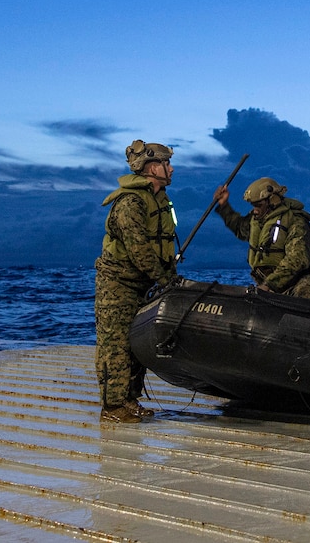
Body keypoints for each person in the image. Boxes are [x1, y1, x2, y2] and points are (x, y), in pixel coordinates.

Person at [94, 140, 180, 424]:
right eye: (166, 163)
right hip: (118, 284)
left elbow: (160, 244)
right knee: (115, 344)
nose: (171, 168)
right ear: (152, 167)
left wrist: (169, 272)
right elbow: (138, 249)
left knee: (137, 345)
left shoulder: (160, 200)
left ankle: (129, 399)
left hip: (143, 283)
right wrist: (165, 278)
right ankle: (112, 405)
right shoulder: (130, 203)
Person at [213, 176, 310, 299]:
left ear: (272, 201)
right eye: (253, 206)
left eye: (258, 205)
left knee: (305, 298)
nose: (255, 210)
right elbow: (241, 229)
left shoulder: (296, 222)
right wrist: (224, 205)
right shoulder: (258, 220)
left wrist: (269, 284)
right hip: (272, 284)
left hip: (300, 282)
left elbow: (297, 259)